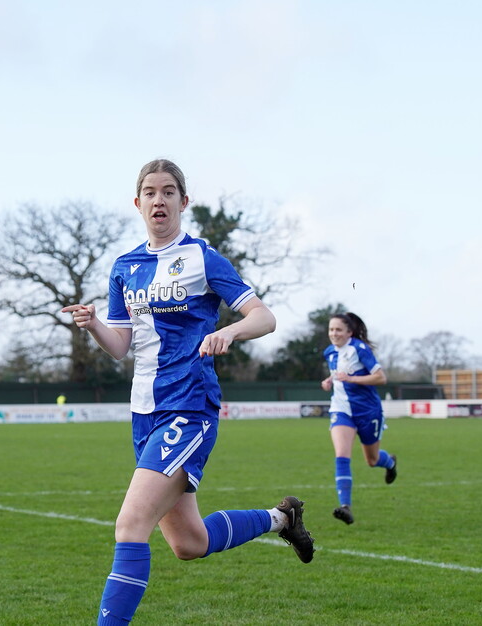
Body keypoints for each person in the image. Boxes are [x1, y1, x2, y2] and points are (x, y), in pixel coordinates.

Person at [62, 159, 314, 625]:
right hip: (144, 413)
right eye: (150, 193)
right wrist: (94, 322)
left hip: (189, 406)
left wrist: (231, 332)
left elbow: (264, 316)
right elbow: (121, 346)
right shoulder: (125, 267)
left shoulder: (202, 257)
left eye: (169, 192)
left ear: (183, 201)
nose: (159, 200)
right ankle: (283, 519)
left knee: (130, 525)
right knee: (189, 544)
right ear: (138, 204)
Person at [320, 312, 397, 525]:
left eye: (338, 330)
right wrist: (328, 381)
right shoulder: (330, 352)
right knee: (342, 454)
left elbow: (380, 377)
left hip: (368, 411)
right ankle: (346, 507)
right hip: (341, 409)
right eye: (331, 329)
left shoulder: (359, 350)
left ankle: (389, 462)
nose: (334, 333)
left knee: (372, 460)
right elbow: (337, 374)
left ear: (349, 332)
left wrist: (352, 379)